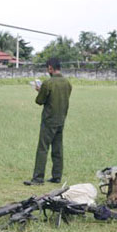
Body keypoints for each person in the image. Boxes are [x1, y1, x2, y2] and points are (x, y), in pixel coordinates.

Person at [23, 58, 72, 186]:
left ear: (50, 68)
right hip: (61, 119)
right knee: (58, 149)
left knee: (43, 148)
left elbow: (39, 101)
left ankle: (38, 178)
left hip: (49, 120)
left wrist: (39, 90)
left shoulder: (48, 83)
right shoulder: (67, 83)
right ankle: (57, 176)